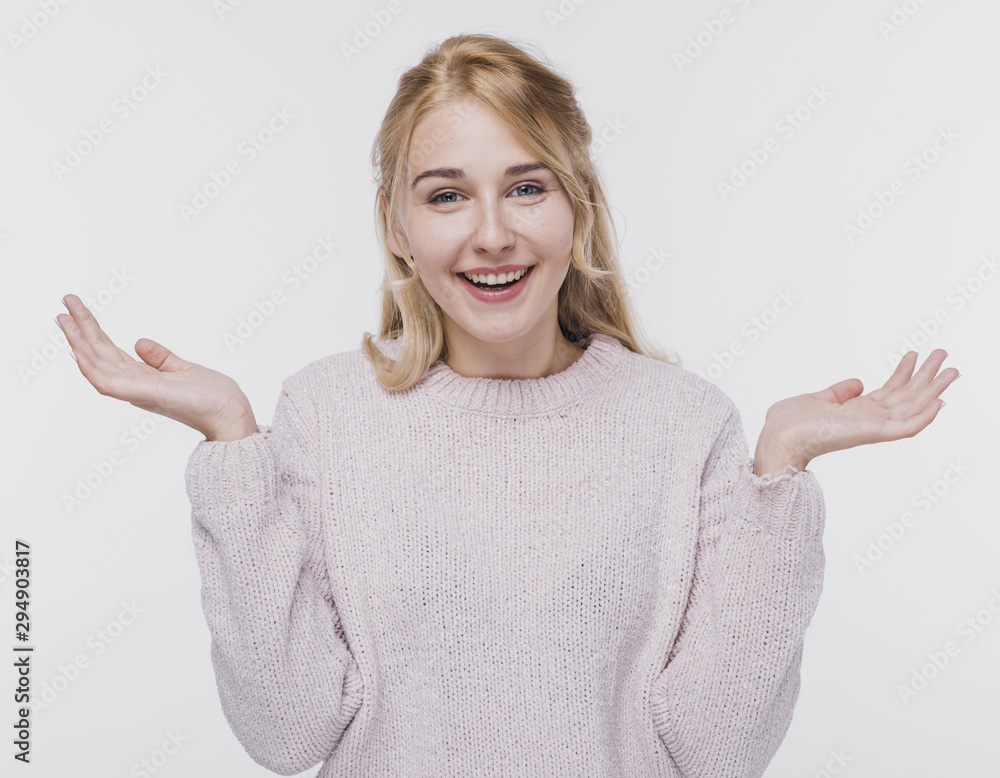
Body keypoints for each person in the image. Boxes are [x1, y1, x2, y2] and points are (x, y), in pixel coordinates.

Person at [57, 33, 958, 778]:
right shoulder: (326, 414)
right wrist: (232, 443)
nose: (492, 233)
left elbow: (717, 750)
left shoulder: (685, 424)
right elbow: (287, 734)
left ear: (580, 207)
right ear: (397, 229)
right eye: (446, 195)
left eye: (528, 186)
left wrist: (780, 466)